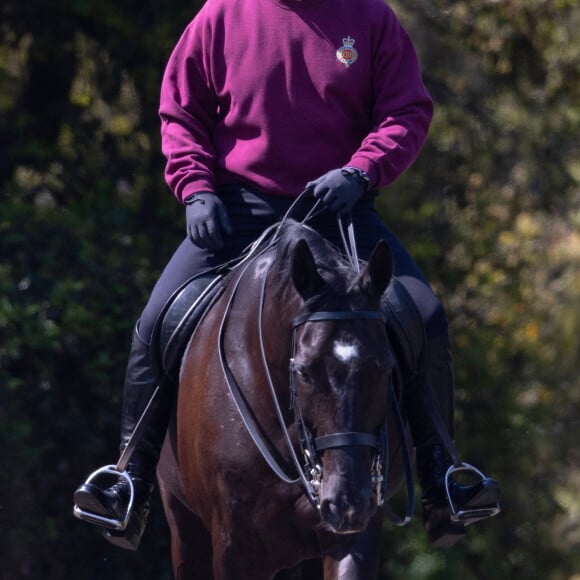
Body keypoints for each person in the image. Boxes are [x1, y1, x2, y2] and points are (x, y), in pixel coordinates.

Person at [74, 0, 501, 551]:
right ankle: (127, 482)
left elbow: (407, 110)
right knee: (157, 319)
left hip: (339, 208)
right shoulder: (221, 15)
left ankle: (445, 479)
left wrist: (361, 171)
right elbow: (181, 111)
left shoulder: (370, 17)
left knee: (424, 314)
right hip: (237, 208)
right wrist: (196, 188)